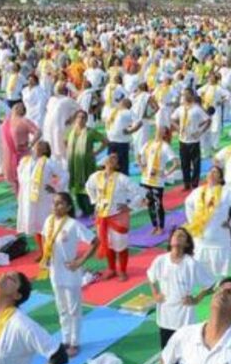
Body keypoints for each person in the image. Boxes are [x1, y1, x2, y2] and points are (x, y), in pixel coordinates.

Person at [147, 227, 215, 364]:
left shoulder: (191, 264)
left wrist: (197, 299)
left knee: (186, 353)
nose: (177, 237)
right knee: (167, 352)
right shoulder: (160, 261)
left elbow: (210, 284)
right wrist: (155, 293)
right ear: (170, 241)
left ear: (186, 243)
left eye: (182, 236)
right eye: (175, 235)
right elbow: (150, 277)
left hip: (185, 319)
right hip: (165, 317)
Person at [38, 193, 99, 356]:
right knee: (61, 308)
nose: (55, 206)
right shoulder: (48, 221)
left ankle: (75, 342)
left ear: (68, 207)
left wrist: (80, 262)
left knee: (74, 309)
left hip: (70, 273)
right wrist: (46, 256)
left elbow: (95, 241)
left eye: (60, 204)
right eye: (54, 203)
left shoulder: (73, 225)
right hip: (54, 272)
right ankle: (65, 339)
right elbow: (45, 238)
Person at [85, 153, 141, 281]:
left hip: (118, 217)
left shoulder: (122, 179)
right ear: (104, 161)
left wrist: (130, 206)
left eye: (115, 158)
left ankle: (122, 270)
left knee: (120, 245)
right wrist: (94, 201)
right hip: (101, 217)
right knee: (108, 243)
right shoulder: (95, 177)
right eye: (110, 157)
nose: (111, 159)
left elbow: (139, 192)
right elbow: (88, 187)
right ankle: (111, 268)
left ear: (117, 165)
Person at [184, 166, 231, 276]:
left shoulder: (226, 192)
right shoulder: (197, 191)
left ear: (220, 178)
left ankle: (220, 283)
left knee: (220, 268)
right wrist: (193, 221)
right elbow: (187, 204)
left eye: (215, 172)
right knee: (201, 266)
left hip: (219, 236)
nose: (212, 174)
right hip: (201, 237)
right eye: (210, 171)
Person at [16, 141, 67, 252]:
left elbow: (64, 175)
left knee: (45, 225)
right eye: (36, 145)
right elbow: (21, 177)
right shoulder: (24, 161)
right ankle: (42, 251)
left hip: (43, 198)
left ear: (45, 150)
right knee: (34, 225)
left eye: (41, 146)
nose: (37, 146)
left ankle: (53, 250)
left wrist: (56, 188)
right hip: (27, 198)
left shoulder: (49, 163)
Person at [66, 110, 107, 216]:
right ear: (75, 119)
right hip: (73, 164)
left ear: (86, 120)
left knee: (89, 185)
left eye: (83, 117)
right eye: (78, 117)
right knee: (76, 186)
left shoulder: (90, 132)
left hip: (87, 164)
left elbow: (105, 141)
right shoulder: (71, 132)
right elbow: (65, 142)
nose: (80, 119)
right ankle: (82, 208)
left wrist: (96, 152)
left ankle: (91, 208)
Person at [138, 128, 179, 236]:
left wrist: (166, 173)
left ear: (164, 134)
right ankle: (154, 225)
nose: (157, 130)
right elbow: (139, 155)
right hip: (145, 178)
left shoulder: (165, 147)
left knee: (158, 204)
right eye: (157, 128)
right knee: (149, 203)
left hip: (157, 181)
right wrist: (141, 165)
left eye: (160, 129)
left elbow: (176, 162)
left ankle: (161, 227)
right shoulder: (148, 143)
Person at [171, 90, 211, 190]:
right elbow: (172, 119)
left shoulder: (197, 109)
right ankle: (186, 183)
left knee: (196, 163)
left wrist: (200, 131)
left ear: (192, 95)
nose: (185, 96)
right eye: (184, 94)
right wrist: (178, 128)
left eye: (187, 94)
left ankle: (195, 183)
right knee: (184, 163)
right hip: (182, 140)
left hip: (194, 140)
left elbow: (208, 120)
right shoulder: (180, 109)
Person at [3, 103, 41, 193]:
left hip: (22, 154)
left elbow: (38, 132)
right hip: (9, 154)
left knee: (25, 179)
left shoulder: (25, 121)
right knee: (14, 181)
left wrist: (31, 144)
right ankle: (19, 200)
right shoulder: (7, 122)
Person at [103, 97, 142, 175]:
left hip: (121, 142)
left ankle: (122, 182)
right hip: (112, 140)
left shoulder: (127, 112)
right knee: (110, 163)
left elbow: (139, 123)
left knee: (121, 164)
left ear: (124, 104)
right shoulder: (113, 111)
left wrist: (130, 130)